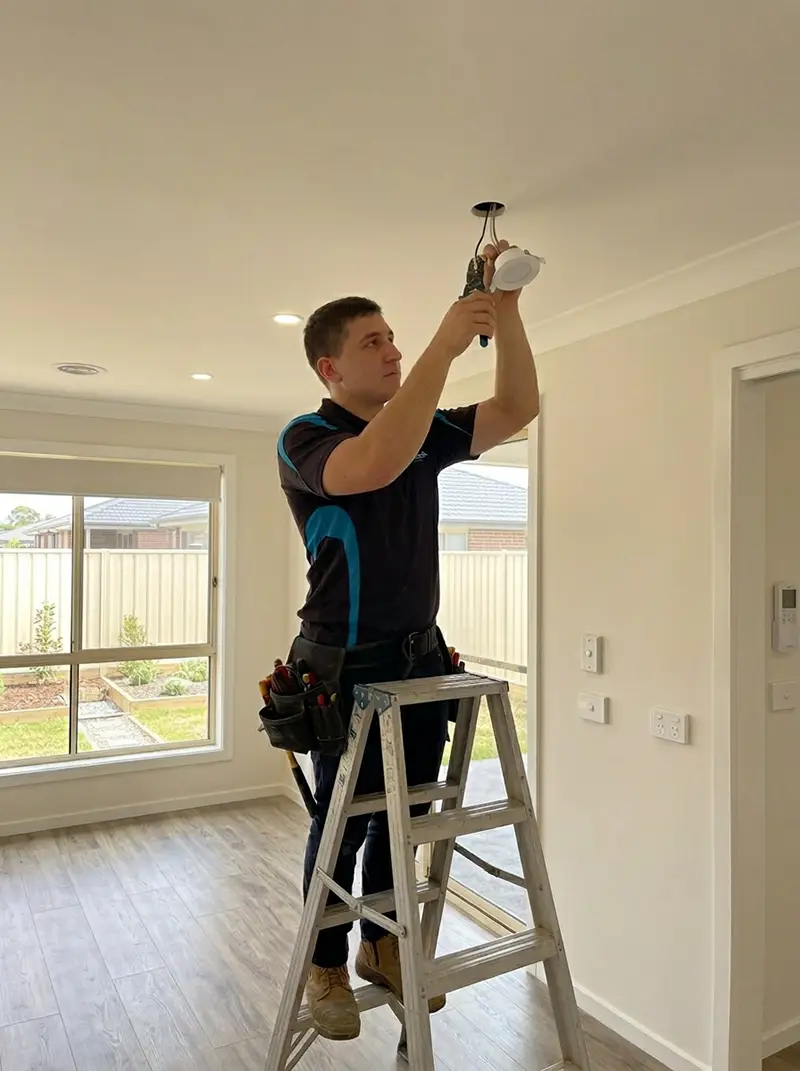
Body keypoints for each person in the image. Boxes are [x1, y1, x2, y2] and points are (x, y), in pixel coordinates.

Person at [277, 239, 540, 1041]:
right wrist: (446, 343)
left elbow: (518, 406)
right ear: (330, 369)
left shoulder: (419, 428)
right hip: (341, 668)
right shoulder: (308, 436)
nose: (391, 351)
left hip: (420, 656)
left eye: (394, 338)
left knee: (408, 812)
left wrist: (510, 310)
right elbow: (373, 463)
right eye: (374, 343)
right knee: (345, 818)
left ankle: (383, 946)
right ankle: (326, 959)